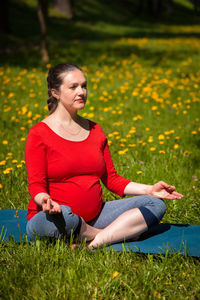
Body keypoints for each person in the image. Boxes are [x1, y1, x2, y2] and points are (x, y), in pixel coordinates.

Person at [25, 62, 184, 249]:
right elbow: (36, 184)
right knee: (65, 217)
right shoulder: (39, 134)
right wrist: (43, 200)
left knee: (155, 204)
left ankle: (91, 244)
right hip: (54, 218)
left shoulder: (95, 130)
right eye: (73, 87)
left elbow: (112, 180)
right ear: (55, 93)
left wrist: (150, 189)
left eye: (84, 86)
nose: (81, 92)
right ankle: (113, 234)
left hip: (97, 217)